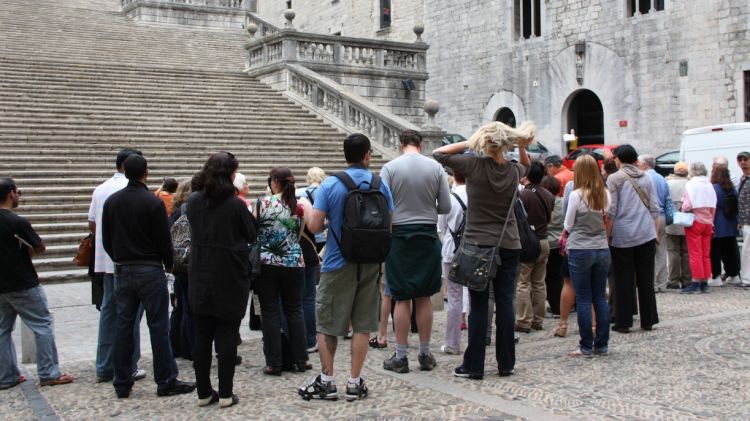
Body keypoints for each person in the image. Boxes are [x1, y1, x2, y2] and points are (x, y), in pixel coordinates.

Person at [298, 133, 394, 401]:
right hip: (371, 263)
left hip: (338, 261)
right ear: (367, 155)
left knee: (327, 323)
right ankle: (354, 383)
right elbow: (389, 225)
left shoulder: (331, 184)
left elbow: (315, 226)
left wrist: (307, 207)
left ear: (345, 155)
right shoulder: (380, 184)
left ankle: (327, 381)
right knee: (363, 324)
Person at [433, 121, 533, 380]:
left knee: (478, 306)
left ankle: (474, 365)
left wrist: (471, 141)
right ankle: (506, 363)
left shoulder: (473, 165)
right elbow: (528, 165)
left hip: (478, 244)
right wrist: (521, 145)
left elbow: (439, 154)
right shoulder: (513, 170)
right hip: (509, 243)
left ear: (484, 142)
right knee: (505, 301)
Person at [101, 154, 195, 399]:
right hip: (149, 267)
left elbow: (107, 239)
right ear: (146, 173)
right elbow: (164, 240)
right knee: (157, 325)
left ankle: (121, 380)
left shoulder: (112, 201)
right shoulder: (151, 202)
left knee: (124, 324)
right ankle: (165, 379)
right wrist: (168, 264)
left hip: (123, 266)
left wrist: (118, 258)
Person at [187, 152, 256, 407]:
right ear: (230, 174)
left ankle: (204, 391)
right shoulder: (236, 204)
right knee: (227, 333)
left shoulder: (193, 200)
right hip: (229, 272)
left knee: (202, 334)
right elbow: (251, 232)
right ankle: (226, 393)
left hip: (201, 270)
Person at [380, 130, 451, 374]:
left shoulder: (389, 168)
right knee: (424, 296)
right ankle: (424, 352)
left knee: (400, 296)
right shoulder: (436, 168)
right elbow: (446, 206)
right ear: (420, 145)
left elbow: (383, 207)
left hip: (399, 235)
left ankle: (400, 356)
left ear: (401, 145)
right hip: (427, 232)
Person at [0, 178, 75, 389]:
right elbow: (39, 246)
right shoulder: (17, 222)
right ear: (11, 194)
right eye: (17, 193)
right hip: (22, 282)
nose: (18, 197)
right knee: (42, 324)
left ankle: (6, 376)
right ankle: (49, 372)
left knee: (2, 329)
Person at [88, 148, 145, 384]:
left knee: (109, 312)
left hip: (106, 260)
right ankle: (128, 364)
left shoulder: (100, 189)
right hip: (132, 260)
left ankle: (103, 365)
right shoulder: (133, 190)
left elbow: (92, 224)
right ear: (126, 166)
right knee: (130, 315)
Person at [254, 167, 310, 375]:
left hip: (267, 262)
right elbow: (298, 235)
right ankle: (301, 358)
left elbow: (256, 231)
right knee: (295, 310)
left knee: (270, 312)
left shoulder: (263, 203)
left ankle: (274, 362)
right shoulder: (298, 206)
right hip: (293, 261)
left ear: (274, 182)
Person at [561, 156, 611, 357]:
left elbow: (568, 224)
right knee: (600, 297)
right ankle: (602, 344)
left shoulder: (576, 195)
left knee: (583, 298)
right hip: (601, 248)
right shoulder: (605, 194)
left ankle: (586, 346)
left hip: (580, 248)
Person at [607, 144, 660, 333]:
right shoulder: (646, 177)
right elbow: (654, 207)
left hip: (623, 233)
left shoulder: (614, 179)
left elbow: (611, 210)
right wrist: (656, 232)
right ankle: (649, 319)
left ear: (619, 159)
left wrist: (608, 235)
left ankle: (624, 321)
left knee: (623, 279)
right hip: (646, 232)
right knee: (646, 279)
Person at [514, 162, 554, 333]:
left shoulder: (523, 195)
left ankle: (524, 321)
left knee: (523, 282)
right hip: (544, 240)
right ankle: (538, 319)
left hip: (527, 241)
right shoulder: (548, 194)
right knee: (539, 282)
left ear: (527, 176)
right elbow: (550, 219)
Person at [296, 167, 327, 353]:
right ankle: (311, 335)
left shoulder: (301, 193)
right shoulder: (326, 191)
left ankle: (301, 335)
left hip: (304, 241)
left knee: (302, 294)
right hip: (320, 240)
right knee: (311, 294)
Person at [438, 169, 468, 355]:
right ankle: (477, 340)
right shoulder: (478, 196)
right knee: (475, 296)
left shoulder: (449, 198)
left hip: (452, 250)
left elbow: (442, 226)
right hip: (475, 250)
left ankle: (452, 343)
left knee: (454, 298)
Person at [680, 162, 717, 294]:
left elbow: (687, 206)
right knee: (705, 254)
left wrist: (682, 207)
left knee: (695, 253)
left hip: (695, 221)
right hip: (708, 222)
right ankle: (705, 282)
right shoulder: (709, 184)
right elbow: (713, 206)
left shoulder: (691, 184)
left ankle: (695, 281)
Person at [168, 179, 194, 360]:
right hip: (190, 262)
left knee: (179, 306)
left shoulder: (175, 212)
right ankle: (189, 347)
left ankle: (175, 345)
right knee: (189, 307)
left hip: (176, 264)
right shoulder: (192, 210)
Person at [638, 154, 671, 293]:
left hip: (649, 217)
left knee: (647, 252)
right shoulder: (662, 179)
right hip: (662, 216)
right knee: (661, 251)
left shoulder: (644, 178)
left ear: (645, 164)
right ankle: (662, 283)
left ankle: (650, 282)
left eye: (639, 163)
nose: (638, 166)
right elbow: (667, 198)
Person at [708, 164, 740, 287]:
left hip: (718, 223)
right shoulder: (732, 188)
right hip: (731, 223)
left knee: (715, 252)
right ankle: (734, 274)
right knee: (730, 251)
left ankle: (716, 276)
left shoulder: (714, 188)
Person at [665, 162, 692, 289]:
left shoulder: (669, 184)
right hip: (687, 222)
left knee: (672, 252)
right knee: (687, 252)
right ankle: (687, 279)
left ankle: (673, 279)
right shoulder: (690, 184)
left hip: (672, 222)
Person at [541, 176, 563, 318]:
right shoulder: (563, 202)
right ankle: (565, 304)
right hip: (561, 242)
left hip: (548, 241)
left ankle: (556, 306)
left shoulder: (543, 202)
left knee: (550, 277)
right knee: (561, 276)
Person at [737, 151, 750, 287]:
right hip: (745, 221)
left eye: (745, 159)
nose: (743, 162)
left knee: (747, 251)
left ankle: (747, 279)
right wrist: (740, 221)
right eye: (740, 160)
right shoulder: (743, 178)